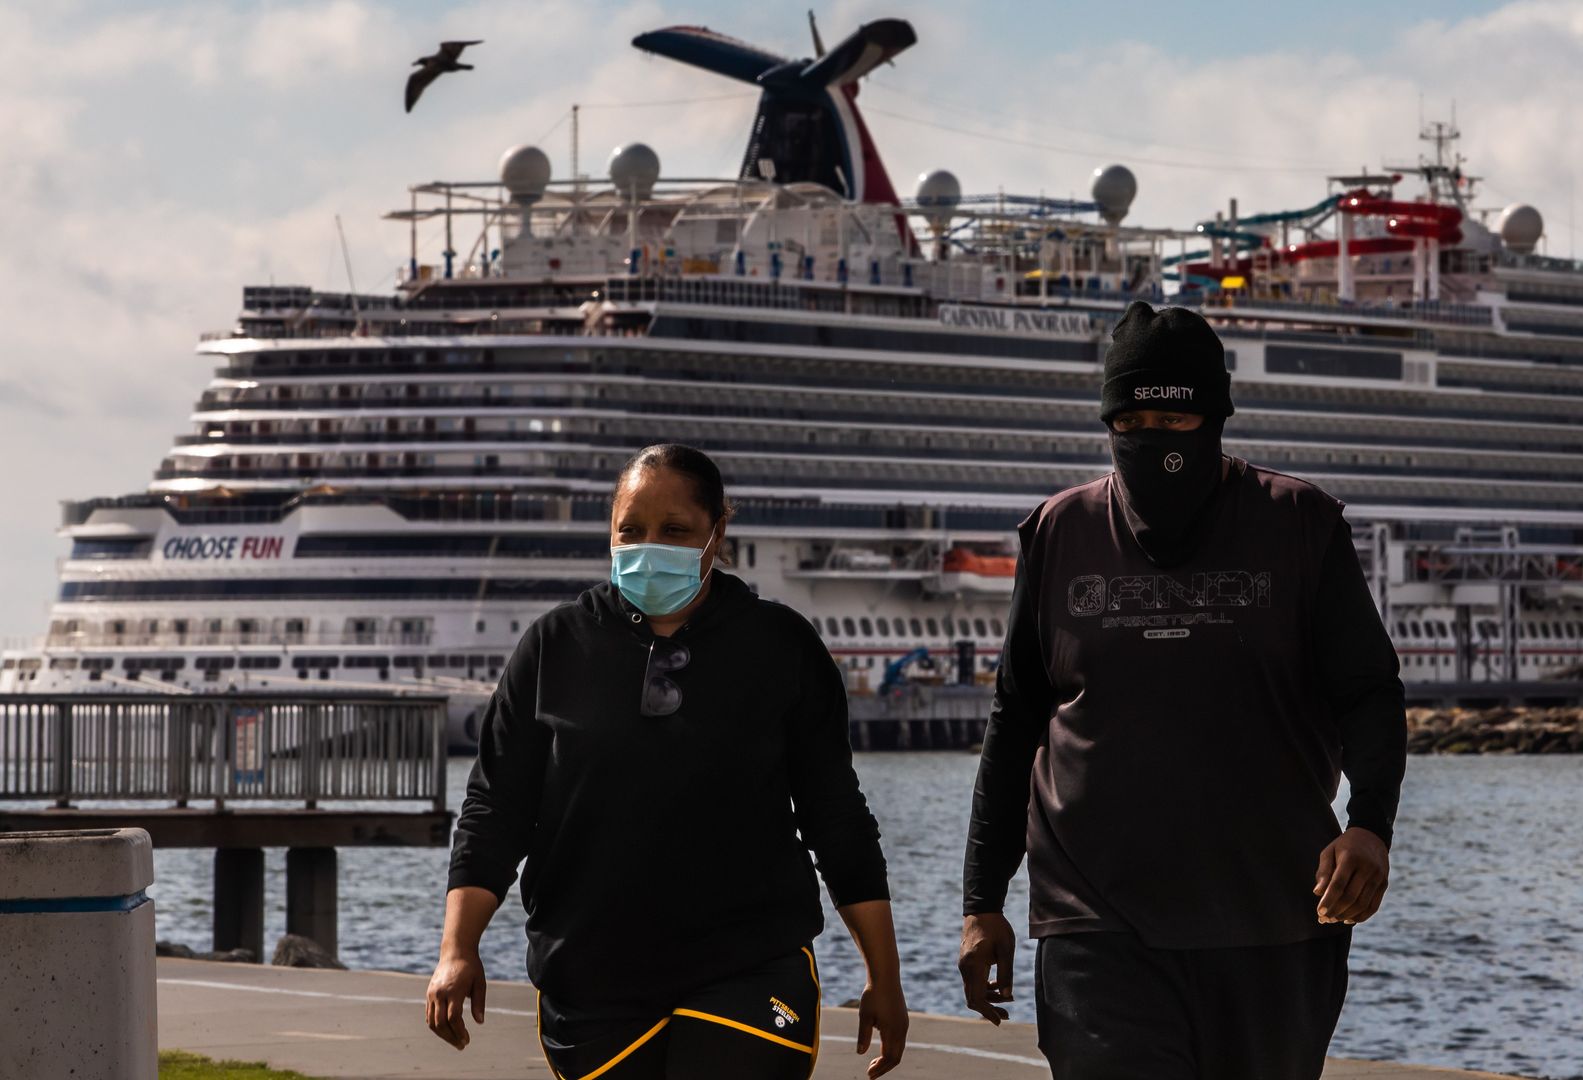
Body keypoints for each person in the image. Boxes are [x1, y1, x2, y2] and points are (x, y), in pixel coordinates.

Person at [956, 302, 1408, 1080]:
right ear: (1107, 422)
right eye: (1131, 420)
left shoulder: (1300, 525)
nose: (1153, 440)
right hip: (1094, 920)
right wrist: (980, 900)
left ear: (1217, 419)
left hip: (1273, 917)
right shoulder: (1059, 533)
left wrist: (1369, 826)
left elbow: (1369, 691)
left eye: (1176, 422)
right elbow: (1015, 722)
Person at [428, 443, 909, 1079]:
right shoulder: (553, 645)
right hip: (591, 978)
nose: (649, 546)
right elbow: (495, 809)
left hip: (749, 963)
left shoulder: (780, 645)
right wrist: (457, 950)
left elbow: (836, 817)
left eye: (675, 530)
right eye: (631, 530)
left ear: (718, 533)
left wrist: (884, 976)